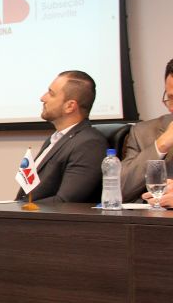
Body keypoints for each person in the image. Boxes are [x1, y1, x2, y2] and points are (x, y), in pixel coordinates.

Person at [16, 70, 108, 204]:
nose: (42, 98)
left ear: (70, 106)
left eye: (51, 93)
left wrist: (19, 208)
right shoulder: (55, 139)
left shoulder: (89, 144)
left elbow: (65, 202)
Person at [121, 58, 173, 202]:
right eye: (171, 98)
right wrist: (161, 145)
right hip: (153, 216)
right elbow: (119, 190)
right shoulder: (144, 133)